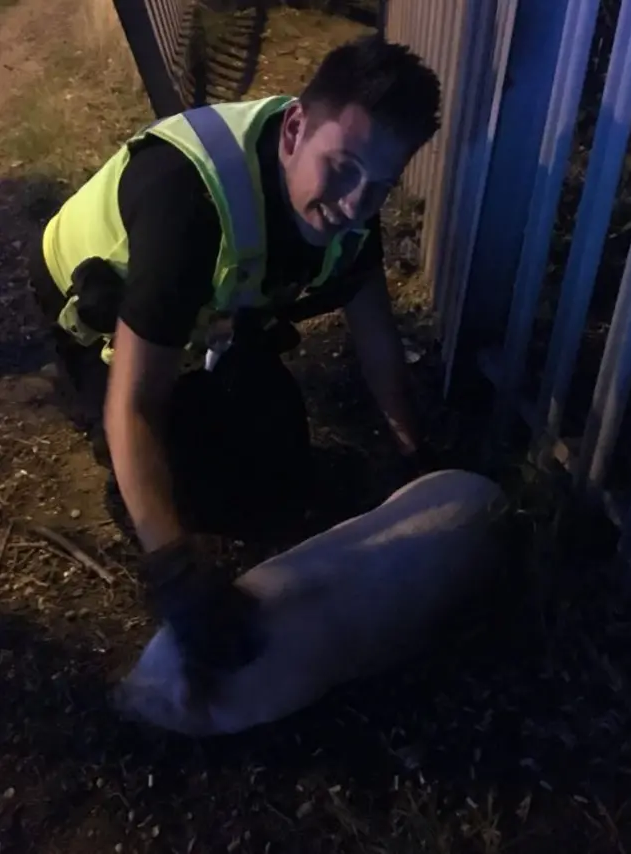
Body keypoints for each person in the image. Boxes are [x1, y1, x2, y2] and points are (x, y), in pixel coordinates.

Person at [30, 34, 441, 681]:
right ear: (296, 128)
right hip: (94, 304)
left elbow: (377, 339)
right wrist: (175, 572)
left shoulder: (349, 197)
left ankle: (209, 361)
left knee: (278, 457)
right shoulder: (187, 204)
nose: (355, 205)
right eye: (344, 169)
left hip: (203, 309)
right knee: (197, 484)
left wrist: (417, 458)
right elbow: (134, 405)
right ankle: (86, 392)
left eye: (379, 186)